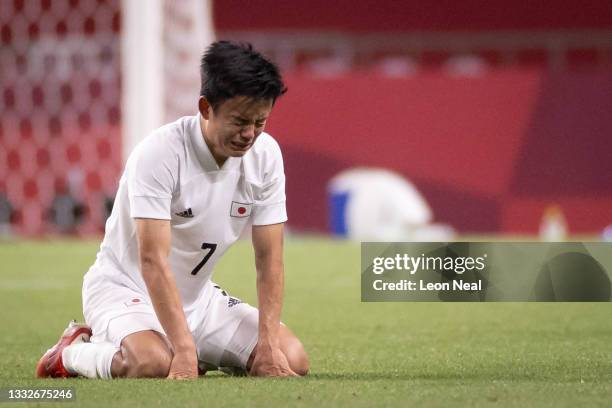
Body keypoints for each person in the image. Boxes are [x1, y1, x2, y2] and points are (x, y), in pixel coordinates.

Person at [36, 41, 309, 379]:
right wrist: (182, 349)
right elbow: (152, 259)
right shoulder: (160, 155)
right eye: (239, 121)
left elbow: (270, 260)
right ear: (206, 107)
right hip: (125, 290)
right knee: (152, 363)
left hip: (198, 302)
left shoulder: (265, 156)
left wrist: (267, 346)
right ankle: (71, 353)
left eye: (260, 122)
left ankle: (198, 351)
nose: (249, 134)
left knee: (291, 357)